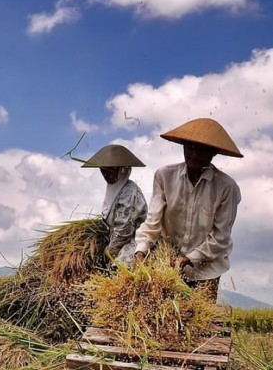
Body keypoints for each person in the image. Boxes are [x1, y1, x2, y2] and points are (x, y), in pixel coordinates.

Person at [134, 118, 243, 301]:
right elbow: (152, 221)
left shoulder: (226, 187)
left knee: (200, 321)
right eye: (190, 147)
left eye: (202, 149)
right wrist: (141, 251)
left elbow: (220, 237)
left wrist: (188, 259)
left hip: (206, 270)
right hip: (167, 265)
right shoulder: (165, 176)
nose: (194, 154)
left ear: (213, 153)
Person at [81, 144, 148, 266]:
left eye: (110, 170)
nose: (105, 174)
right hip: (117, 242)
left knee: (118, 270)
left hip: (134, 241)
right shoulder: (113, 189)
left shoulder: (129, 191)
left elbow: (124, 228)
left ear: (122, 170)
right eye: (102, 170)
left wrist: (111, 250)